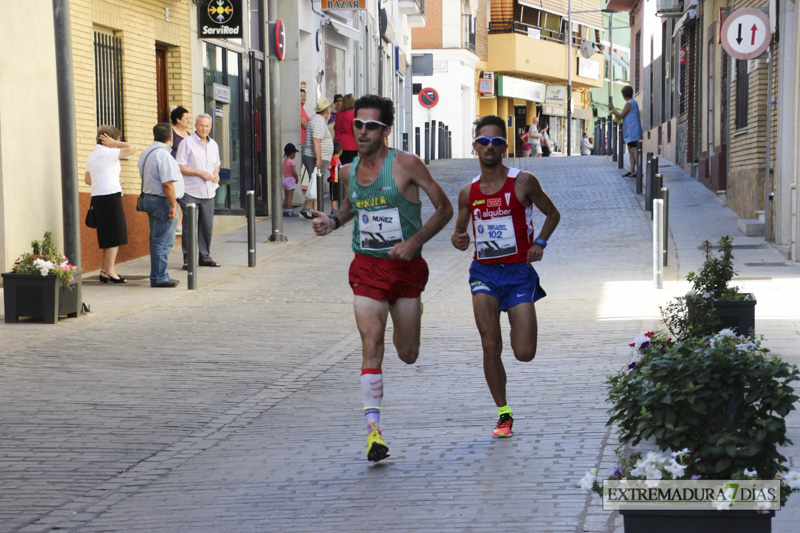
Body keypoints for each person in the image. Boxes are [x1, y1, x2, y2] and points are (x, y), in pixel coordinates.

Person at [310, 94, 453, 462]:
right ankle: (373, 432)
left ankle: (411, 312)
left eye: (371, 126)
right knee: (372, 344)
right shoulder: (347, 171)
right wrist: (333, 221)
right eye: (358, 124)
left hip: (406, 270)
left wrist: (415, 241)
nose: (362, 132)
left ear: (386, 130)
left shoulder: (407, 164)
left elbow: (444, 208)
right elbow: (349, 207)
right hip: (368, 267)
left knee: (407, 354)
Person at [451, 115, 560, 438]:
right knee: (489, 344)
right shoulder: (467, 192)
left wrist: (539, 242)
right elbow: (459, 234)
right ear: (475, 147)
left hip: (518, 274)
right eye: (483, 142)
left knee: (524, 352)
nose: (489, 147)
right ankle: (503, 412)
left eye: (496, 142)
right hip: (483, 273)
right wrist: (459, 239)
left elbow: (552, 213)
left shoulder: (523, 182)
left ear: (505, 148)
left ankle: (516, 327)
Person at [84, 125, 138, 284]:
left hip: (98, 197)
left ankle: (104, 270)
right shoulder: (110, 152)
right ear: (109, 139)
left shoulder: (92, 156)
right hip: (111, 196)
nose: (119, 141)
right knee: (115, 235)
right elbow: (133, 147)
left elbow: (88, 180)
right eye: (117, 138)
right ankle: (111, 271)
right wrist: (115, 144)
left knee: (106, 236)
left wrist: (111, 180)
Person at [140, 122, 184, 288]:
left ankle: (159, 274)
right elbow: (167, 184)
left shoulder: (146, 153)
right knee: (162, 241)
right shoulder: (164, 156)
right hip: (162, 201)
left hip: (150, 198)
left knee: (156, 238)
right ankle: (159, 277)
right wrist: (173, 205)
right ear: (171, 137)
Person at [175, 113, 222, 268]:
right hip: (190, 191)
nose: (204, 128)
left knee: (207, 226)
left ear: (210, 127)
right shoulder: (186, 143)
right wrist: (200, 172)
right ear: (196, 126)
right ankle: (188, 259)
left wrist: (216, 174)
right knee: (190, 226)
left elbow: (216, 165)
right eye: (201, 125)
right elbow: (180, 167)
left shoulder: (213, 144)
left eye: (207, 126)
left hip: (209, 191)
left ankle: (205, 257)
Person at [299, 98, 333, 220]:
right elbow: (316, 140)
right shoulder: (318, 122)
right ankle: (309, 208)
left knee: (316, 183)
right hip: (316, 157)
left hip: (315, 156)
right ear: (327, 110)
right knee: (316, 183)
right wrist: (319, 159)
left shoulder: (317, 119)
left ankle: (314, 210)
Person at [609, 86, 643, 177]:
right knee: (630, 149)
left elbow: (621, 115)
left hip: (633, 131)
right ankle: (632, 170)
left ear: (624, 95)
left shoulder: (629, 103)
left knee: (633, 149)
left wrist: (613, 109)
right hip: (631, 131)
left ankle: (638, 171)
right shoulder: (633, 102)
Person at [334, 94, 358, 165]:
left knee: (340, 167)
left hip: (338, 144)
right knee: (349, 168)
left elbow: (335, 128)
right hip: (351, 146)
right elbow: (356, 131)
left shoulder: (338, 114)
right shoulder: (353, 115)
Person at [282, 143, 300, 217]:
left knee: (286, 196)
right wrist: (297, 178)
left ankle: (285, 209)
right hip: (290, 180)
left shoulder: (284, 161)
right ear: (292, 153)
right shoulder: (292, 162)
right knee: (290, 197)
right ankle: (290, 210)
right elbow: (294, 172)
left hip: (284, 179)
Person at [328, 143, 343, 214]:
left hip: (338, 180)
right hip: (334, 180)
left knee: (337, 195)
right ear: (340, 151)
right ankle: (333, 210)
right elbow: (329, 167)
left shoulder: (337, 159)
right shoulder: (334, 159)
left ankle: (337, 209)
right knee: (334, 196)